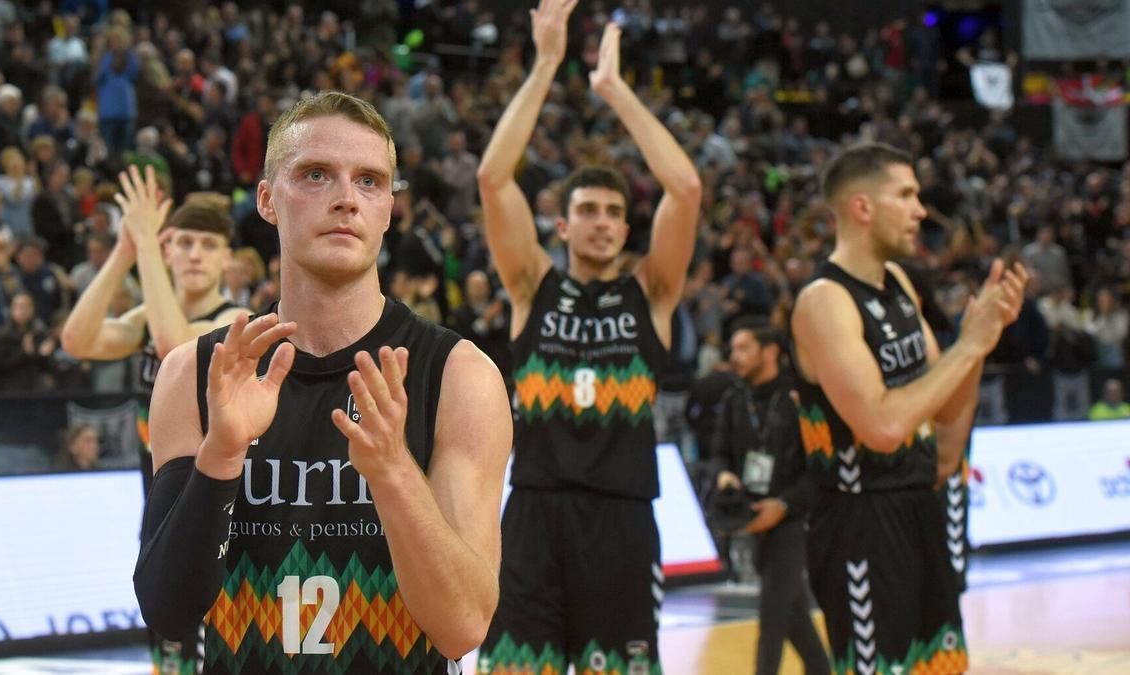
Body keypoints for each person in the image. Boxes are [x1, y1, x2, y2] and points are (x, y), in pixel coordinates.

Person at [133, 91, 511, 674]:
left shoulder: (459, 375)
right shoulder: (195, 371)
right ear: (266, 199)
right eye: (315, 175)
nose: (345, 199)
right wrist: (222, 455)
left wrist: (392, 472)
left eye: (369, 181)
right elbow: (168, 611)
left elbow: (461, 626)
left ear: (388, 208)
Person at [475, 1, 702, 671]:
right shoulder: (529, 285)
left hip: (623, 518)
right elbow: (493, 178)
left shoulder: (653, 293)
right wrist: (546, 62)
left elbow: (685, 188)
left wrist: (615, 91)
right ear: (563, 227)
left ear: (627, 230)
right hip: (535, 513)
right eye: (586, 211)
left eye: (613, 212)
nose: (601, 221)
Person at [790, 143, 1027, 675]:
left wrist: (981, 346)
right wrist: (967, 347)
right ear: (862, 207)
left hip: (921, 503)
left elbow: (944, 427)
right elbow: (883, 426)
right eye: (907, 195)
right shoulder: (823, 300)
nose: (922, 211)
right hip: (861, 522)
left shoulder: (898, 286)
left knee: (941, 667)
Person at [60, 165, 248, 673]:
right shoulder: (147, 318)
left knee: (214, 644)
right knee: (167, 644)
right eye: (182, 242)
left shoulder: (233, 321)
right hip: (162, 496)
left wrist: (146, 241)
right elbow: (77, 340)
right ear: (167, 251)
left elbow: (177, 347)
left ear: (228, 258)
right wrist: (125, 250)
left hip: (221, 507)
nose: (193, 254)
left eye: (208, 245)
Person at [710, 320, 828, 675]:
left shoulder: (797, 399)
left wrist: (785, 505)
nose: (735, 357)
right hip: (755, 515)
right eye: (733, 349)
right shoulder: (735, 399)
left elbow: (819, 468)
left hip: (794, 518)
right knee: (793, 617)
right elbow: (719, 452)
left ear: (771, 351)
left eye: (744, 348)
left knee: (772, 614)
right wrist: (724, 474)